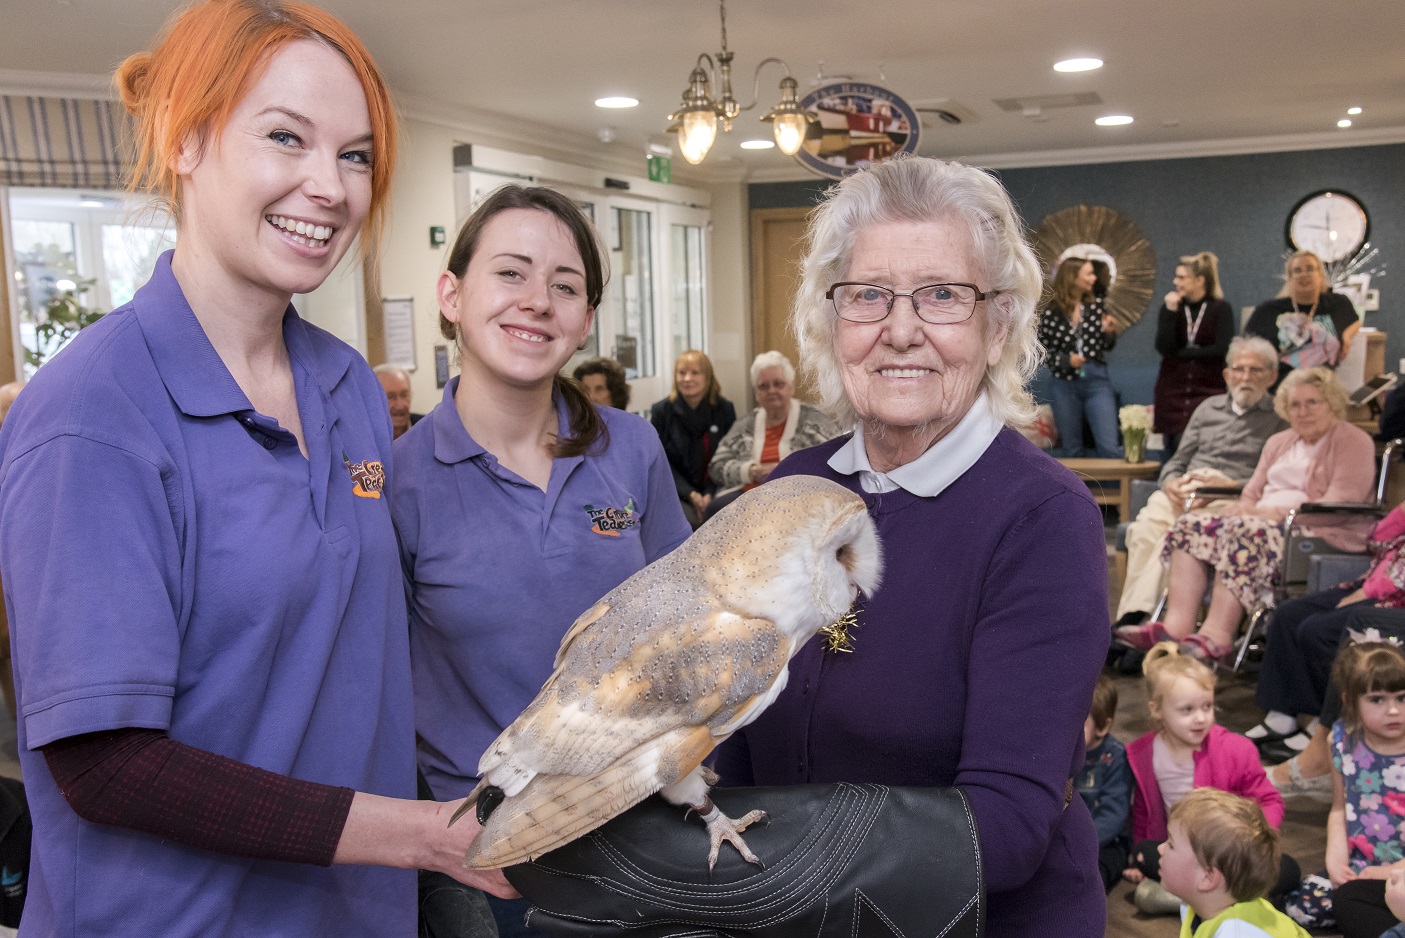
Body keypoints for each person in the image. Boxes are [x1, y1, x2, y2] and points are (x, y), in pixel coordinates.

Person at [0, 4, 515, 936]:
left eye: (355, 156)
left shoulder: (348, 386)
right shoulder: (94, 412)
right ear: (186, 140)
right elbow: (104, 762)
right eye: (286, 138)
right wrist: (415, 834)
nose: (329, 186)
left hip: (352, 914)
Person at [714, 155, 1110, 936]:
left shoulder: (1041, 517)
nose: (900, 330)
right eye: (867, 295)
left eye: (940, 295)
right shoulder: (793, 486)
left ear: (997, 325)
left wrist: (765, 867)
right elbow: (737, 731)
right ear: (832, 321)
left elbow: (1002, 827)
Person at [390, 184, 692, 938]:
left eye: (565, 286)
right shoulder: (397, 479)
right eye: (511, 273)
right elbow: (373, 685)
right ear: (452, 294)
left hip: (640, 827)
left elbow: (690, 627)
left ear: (585, 319)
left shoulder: (633, 447)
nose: (538, 301)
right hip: (489, 854)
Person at [1115, 367, 1376, 664]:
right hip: (1263, 523)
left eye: (1312, 402)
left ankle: (1217, 636)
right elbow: (1252, 492)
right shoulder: (1280, 442)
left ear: (1332, 402)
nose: (1303, 411)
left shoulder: (1353, 441)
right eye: (1294, 404)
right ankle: (1175, 627)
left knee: (1246, 531)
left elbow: (1340, 502)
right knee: (1190, 525)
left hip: (1318, 533)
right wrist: (1242, 508)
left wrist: (1269, 514)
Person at [1116, 337, 1286, 626]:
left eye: (1255, 370)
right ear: (1227, 374)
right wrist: (1169, 483)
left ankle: (1140, 620)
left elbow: (1273, 479)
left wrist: (1227, 487)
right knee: (1143, 531)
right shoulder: (1207, 409)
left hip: (1230, 495)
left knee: (1172, 538)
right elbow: (1178, 460)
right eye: (1239, 369)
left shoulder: (1280, 419)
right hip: (1184, 489)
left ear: (1272, 375)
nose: (1246, 377)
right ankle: (1137, 620)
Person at [1246, 499, 1405, 787]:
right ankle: (1283, 714)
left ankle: (1320, 745)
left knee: (1332, 628)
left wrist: (1370, 590)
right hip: (1378, 583)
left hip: (1394, 594)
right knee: (1290, 615)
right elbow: (1378, 539)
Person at [1124, 645, 1291, 915]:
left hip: (1230, 852)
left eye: (1207, 706)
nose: (1200, 718)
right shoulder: (1143, 753)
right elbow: (1145, 809)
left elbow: (1270, 800)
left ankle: (1181, 900)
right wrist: (1137, 856)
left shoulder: (1236, 749)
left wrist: (1254, 840)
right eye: (1187, 709)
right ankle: (1221, 901)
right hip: (1185, 853)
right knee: (1144, 852)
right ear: (1156, 710)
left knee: (1286, 870)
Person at [1282, 642, 1405, 937]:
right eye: (1377, 699)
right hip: (1362, 866)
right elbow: (1340, 808)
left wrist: (1389, 872)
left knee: (1353, 904)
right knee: (1302, 907)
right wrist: (1336, 860)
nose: (1392, 710)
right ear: (1350, 701)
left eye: (1402, 698)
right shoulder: (1341, 740)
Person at [704, 350, 839, 518]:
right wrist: (751, 471)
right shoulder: (745, 424)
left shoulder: (814, 420)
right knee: (715, 510)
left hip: (799, 496)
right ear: (757, 394)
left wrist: (789, 473)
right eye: (764, 386)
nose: (771, 390)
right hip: (749, 494)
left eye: (778, 384)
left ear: (791, 388)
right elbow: (717, 465)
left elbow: (836, 460)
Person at [1158, 788, 1310, 938]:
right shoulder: (1197, 908)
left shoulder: (1236, 932)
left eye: (1171, 845)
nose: (1160, 848)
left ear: (1207, 878)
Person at [1038, 255, 1122, 458]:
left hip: (1096, 380)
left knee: (1109, 447)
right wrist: (1066, 360)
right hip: (1064, 383)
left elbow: (1105, 346)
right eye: (1089, 273)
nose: (1094, 278)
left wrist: (1109, 332)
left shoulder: (1097, 307)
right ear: (1073, 277)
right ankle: (1077, 490)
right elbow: (1041, 352)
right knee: (1072, 448)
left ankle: (1113, 490)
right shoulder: (1050, 313)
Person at [1153, 252, 1234, 458]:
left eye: (1182, 277)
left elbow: (1222, 348)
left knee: (1202, 449)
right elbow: (1164, 347)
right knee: (1172, 451)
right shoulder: (1171, 307)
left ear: (1200, 280)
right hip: (1173, 391)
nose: (1175, 282)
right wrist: (1171, 312)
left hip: (1207, 389)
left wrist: (1182, 354)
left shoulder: (1221, 308)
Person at [1244, 250, 1361, 387]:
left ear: (1320, 275)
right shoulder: (1268, 310)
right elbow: (1246, 347)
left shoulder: (1338, 304)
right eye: (1297, 270)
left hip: (1324, 388)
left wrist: (1347, 336)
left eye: (1310, 269)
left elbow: (1356, 321)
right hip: (1280, 388)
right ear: (1289, 278)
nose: (1304, 274)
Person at [649, 349, 735, 527]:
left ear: (708, 377)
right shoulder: (661, 412)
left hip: (717, 487)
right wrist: (692, 494)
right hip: (677, 490)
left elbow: (728, 457)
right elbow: (661, 462)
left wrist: (710, 493)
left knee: (724, 518)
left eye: (695, 373)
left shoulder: (725, 409)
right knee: (688, 524)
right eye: (682, 373)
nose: (687, 379)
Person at [1078, 673, 1132, 894]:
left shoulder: (1115, 758)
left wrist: (1082, 844)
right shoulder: (1060, 751)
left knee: (1096, 877)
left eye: (1079, 723)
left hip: (1107, 841)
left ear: (1102, 726)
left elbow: (1113, 813)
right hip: (1070, 840)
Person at [374, 363, 419, 438]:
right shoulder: (363, 439)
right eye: (390, 397)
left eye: (404, 395)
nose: (400, 405)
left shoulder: (431, 429)